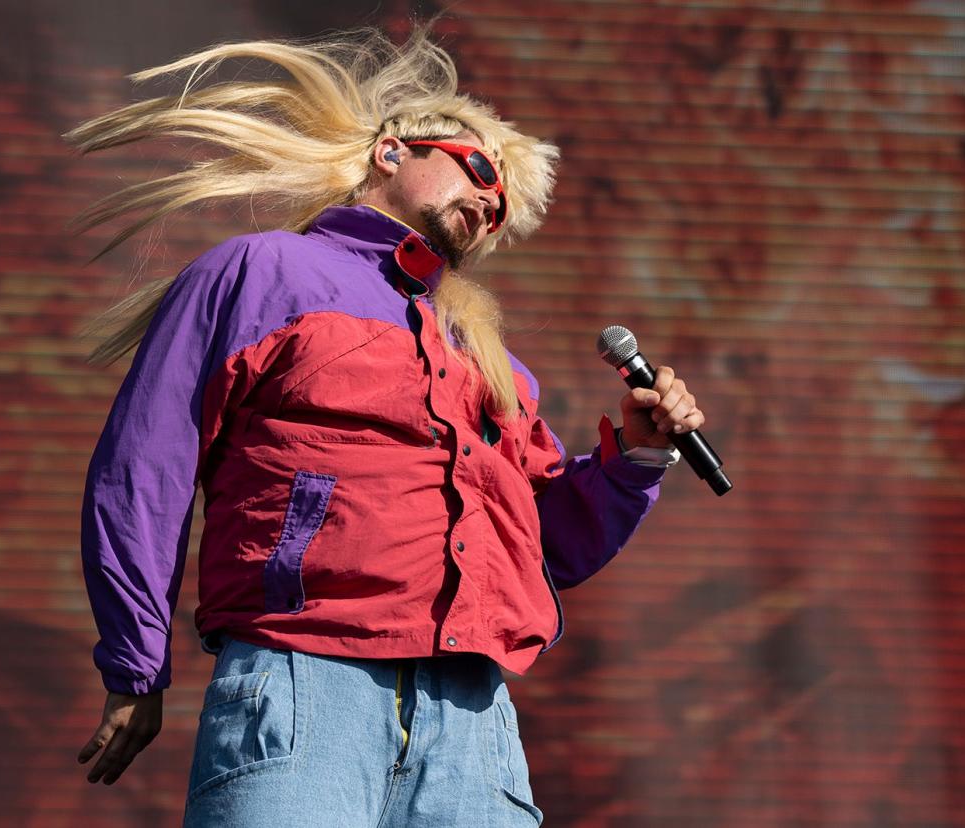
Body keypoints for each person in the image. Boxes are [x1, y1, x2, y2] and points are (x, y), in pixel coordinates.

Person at [66, 26, 704, 827]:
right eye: (478, 169)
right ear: (392, 152)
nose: (487, 202)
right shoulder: (262, 272)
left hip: (475, 721)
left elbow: (544, 546)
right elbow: (145, 468)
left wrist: (637, 459)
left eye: (501, 206)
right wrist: (135, 663)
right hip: (305, 684)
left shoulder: (485, 357)